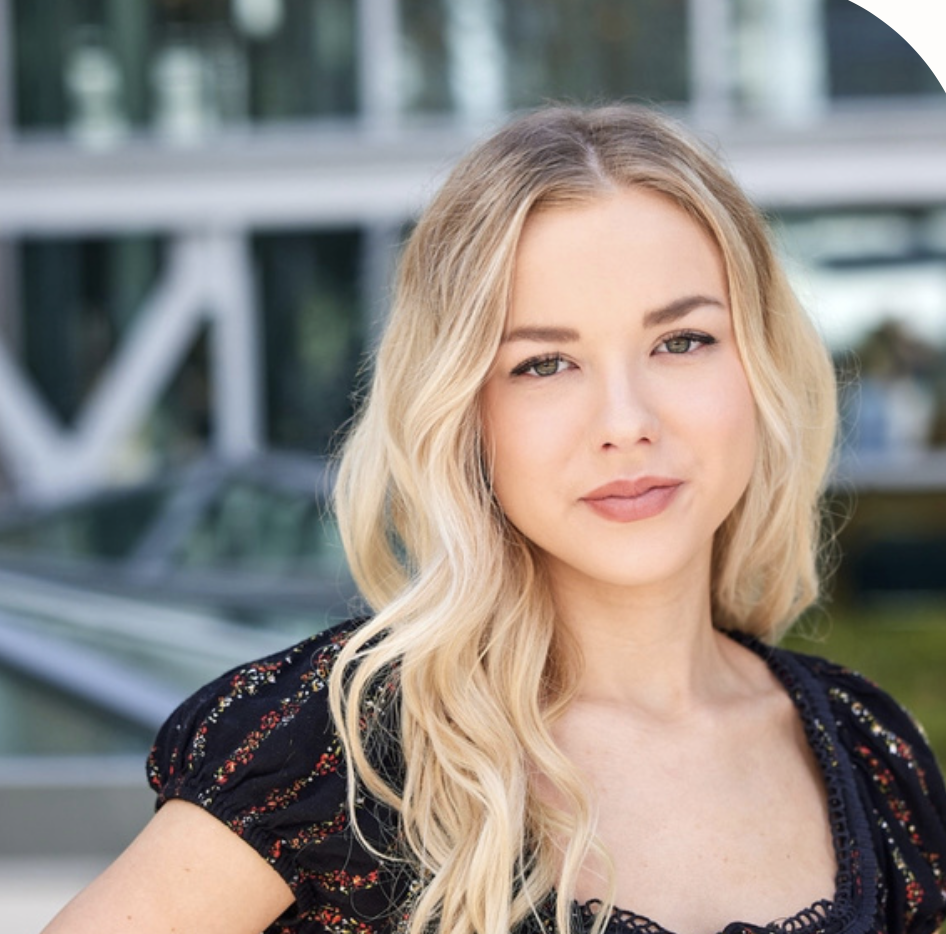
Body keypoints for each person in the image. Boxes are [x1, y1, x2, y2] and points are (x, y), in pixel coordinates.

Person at [43, 105, 946, 934]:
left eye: (682, 341)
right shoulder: (345, 748)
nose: (627, 421)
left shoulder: (870, 759)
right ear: (465, 414)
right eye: (544, 364)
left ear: (760, 367)